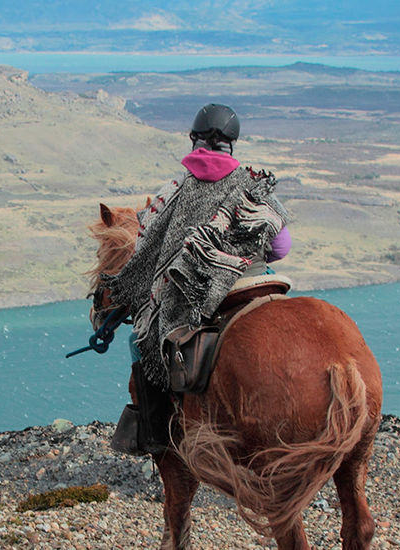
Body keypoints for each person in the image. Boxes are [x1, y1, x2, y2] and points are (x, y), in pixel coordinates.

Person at [104, 104, 291, 455]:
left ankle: (158, 434)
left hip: (197, 292)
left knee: (139, 340)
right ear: (231, 143)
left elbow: (148, 246)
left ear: (195, 139)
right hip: (252, 280)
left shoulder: (175, 189)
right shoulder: (255, 186)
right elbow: (281, 246)